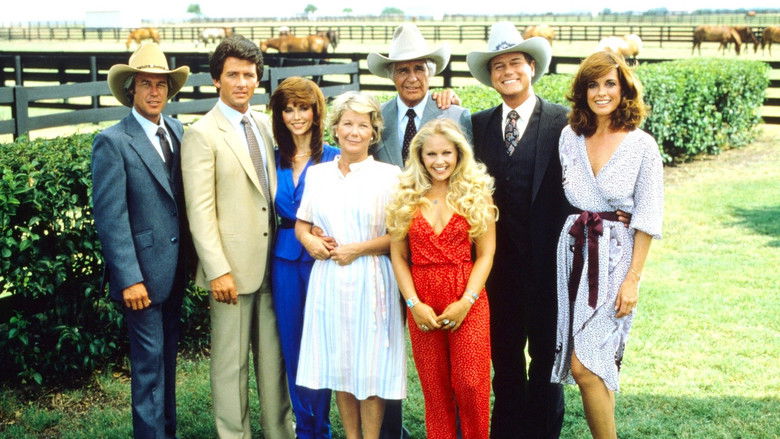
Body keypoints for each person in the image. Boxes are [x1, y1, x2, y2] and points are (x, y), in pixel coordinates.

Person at [181, 35, 295, 439]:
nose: (242, 83)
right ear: (217, 79)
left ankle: (280, 431)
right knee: (231, 366)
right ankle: (234, 433)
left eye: (249, 75)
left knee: (274, 362)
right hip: (230, 271)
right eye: (233, 75)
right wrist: (217, 270)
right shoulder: (202, 134)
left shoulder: (264, 125)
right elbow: (200, 212)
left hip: (271, 266)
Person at [466, 22, 572, 439]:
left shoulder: (564, 122)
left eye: (515, 63)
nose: (507, 71)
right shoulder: (477, 125)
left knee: (547, 364)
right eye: (498, 66)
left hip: (550, 271)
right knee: (505, 364)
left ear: (531, 67)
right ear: (491, 76)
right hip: (497, 273)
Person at [550, 51, 663, 439]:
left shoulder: (642, 145)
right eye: (592, 85)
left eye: (610, 84)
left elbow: (648, 215)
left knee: (584, 366)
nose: (601, 92)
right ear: (582, 91)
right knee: (596, 364)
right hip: (574, 254)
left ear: (624, 88)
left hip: (616, 260)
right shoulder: (570, 137)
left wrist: (633, 279)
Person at [91, 43, 191, 439]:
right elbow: (111, 218)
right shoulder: (113, 141)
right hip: (141, 279)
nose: (154, 92)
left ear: (169, 90)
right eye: (146, 84)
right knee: (149, 366)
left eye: (161, 84)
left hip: (174, 271)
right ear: (131, 89)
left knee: (166, 361)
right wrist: (129, 278)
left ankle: (167, 431)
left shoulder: (178, 131)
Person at [295, 91, 406, 439]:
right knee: (341, 366)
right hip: (329, 278)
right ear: (335, 128)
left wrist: (357, 249)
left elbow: (400, 237)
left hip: (372, 278)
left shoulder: (390, 176)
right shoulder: (319, 174)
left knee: (370, 370)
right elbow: (302, 224)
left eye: (362, 125)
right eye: (347, 124)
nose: (354, 132)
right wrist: (311, 241)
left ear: (373, 132)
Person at [386, 119, 497, 439]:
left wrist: (466, 301)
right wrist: (413, 304)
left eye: (446, 153)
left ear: (459, 153)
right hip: (421, 299)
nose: (439, 161)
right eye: (431, 154)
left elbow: (486, 254)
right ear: (420, 156)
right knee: (435, 389)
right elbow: (399, 256)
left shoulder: (476, 194)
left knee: (470, 384)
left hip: (467, 295)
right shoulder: (405, 196)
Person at [268, 77, 339, 439]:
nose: (296, 116)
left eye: (303, 108)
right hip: (283, 258)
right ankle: (304, 428)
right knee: (293, 343)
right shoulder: (273, 158)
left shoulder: (334, 156)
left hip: (323, 257)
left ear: (316, 112)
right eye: (288, 109)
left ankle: (321, 426)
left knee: (322, 343)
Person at [367, 23, 472, 169]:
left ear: (430, 73)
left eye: (419, 69)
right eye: (403, 70)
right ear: (392, 76)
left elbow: (467, 170)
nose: (412, 78)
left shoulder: (455, 115)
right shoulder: (376, 116)